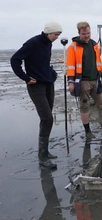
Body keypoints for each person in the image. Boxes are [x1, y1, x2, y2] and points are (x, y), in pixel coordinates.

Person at [10, 21, 63, 169]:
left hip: (48, 84)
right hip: (36, 85)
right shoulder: (33, 43)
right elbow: (15, 59)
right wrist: (25, 77)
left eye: (58, 35)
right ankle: (42, 158)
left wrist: (52, 73)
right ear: (48, 32)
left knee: (46, 119)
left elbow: (44, 63)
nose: (57, 38)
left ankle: (44, 151)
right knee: (47, 118)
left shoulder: (48, 43)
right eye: (55, 35)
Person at [66, 21, 102, 137]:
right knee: (85, 106)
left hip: (96, 80)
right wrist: (71, 82)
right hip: (82, 81)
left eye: (88, 33)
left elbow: (99, 63)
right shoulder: (73, 47)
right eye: (84, 34)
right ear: (79, 33)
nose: (86, 36)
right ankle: (87, 130)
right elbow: (70, 66)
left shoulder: (94, 45)